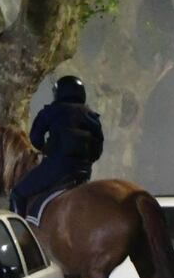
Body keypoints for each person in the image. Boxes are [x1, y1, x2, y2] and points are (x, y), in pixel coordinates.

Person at [10, 76, 104, 216]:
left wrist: (47, 149)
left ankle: (17, 231)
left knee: (18, 193)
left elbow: (35, 137)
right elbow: (97, 149)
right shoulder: (92, 116)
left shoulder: (53, 111)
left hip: (56, 169)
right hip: (83, 172)